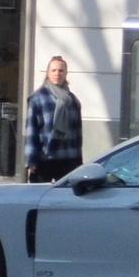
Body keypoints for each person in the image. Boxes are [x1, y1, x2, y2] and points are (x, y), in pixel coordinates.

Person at [25, 55, 83, 183]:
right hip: (45, 158)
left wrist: (79, 160)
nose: (57, 73)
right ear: (48, 73)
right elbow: (31, 131)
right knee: (39, 198)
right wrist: (31, 159)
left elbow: (77, 134)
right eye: (54, 70)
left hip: (69, 159)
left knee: (65, 199)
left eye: (61, 71)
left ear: (66, 74)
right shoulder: (38, 98)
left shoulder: (73, 101)